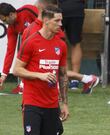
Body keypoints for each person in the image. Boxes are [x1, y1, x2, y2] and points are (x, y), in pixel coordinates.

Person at [13, 6, 69, 135]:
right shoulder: (31, 42)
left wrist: (64, 104)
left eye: (61, 20)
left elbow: (63, 75)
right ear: (46, 20)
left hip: (52, 105)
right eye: (57, 21)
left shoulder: (61, 45)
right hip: (32, 104)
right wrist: (39, 75)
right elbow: (16, 70)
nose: (60, 24)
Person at [23, 0, 99, 94]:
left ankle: (82, 79)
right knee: (69, 45)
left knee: (58, 49)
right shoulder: (34, 26)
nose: (60, 24)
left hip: (62, 10)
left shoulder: (36, 24)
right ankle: (79, 80)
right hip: (74, 9)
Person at [0, 2, 38, 93]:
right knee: (22, 53)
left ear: (11, 14)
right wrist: (4, 75)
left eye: (4, 20)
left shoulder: (27, 10)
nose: (4, 23)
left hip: (46, 40)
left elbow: (45, 22)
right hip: (34, 46)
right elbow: (10, 51)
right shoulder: (11, 27)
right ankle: (23, 84)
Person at [58, 0, 86, 89]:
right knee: (75, 43)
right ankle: (75, 79)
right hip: (76, 9)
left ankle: (63, 77)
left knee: (57, 42)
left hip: (61, 9)